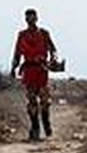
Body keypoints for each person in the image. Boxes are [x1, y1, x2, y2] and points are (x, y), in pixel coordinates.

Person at [10, 8, 59, 141]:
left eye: (32, 17)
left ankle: (46, 122)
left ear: (36, 18)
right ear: (25, 20)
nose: (30, 20)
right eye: (28, 18)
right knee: (32, 102)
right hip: (29, 71)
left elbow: (53, 49)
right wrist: (13, 68)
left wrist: (53, 59)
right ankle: (35, 127)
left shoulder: (44, 33)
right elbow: (17, 54)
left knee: (44, 102)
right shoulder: (22, 35)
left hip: (42, 70)